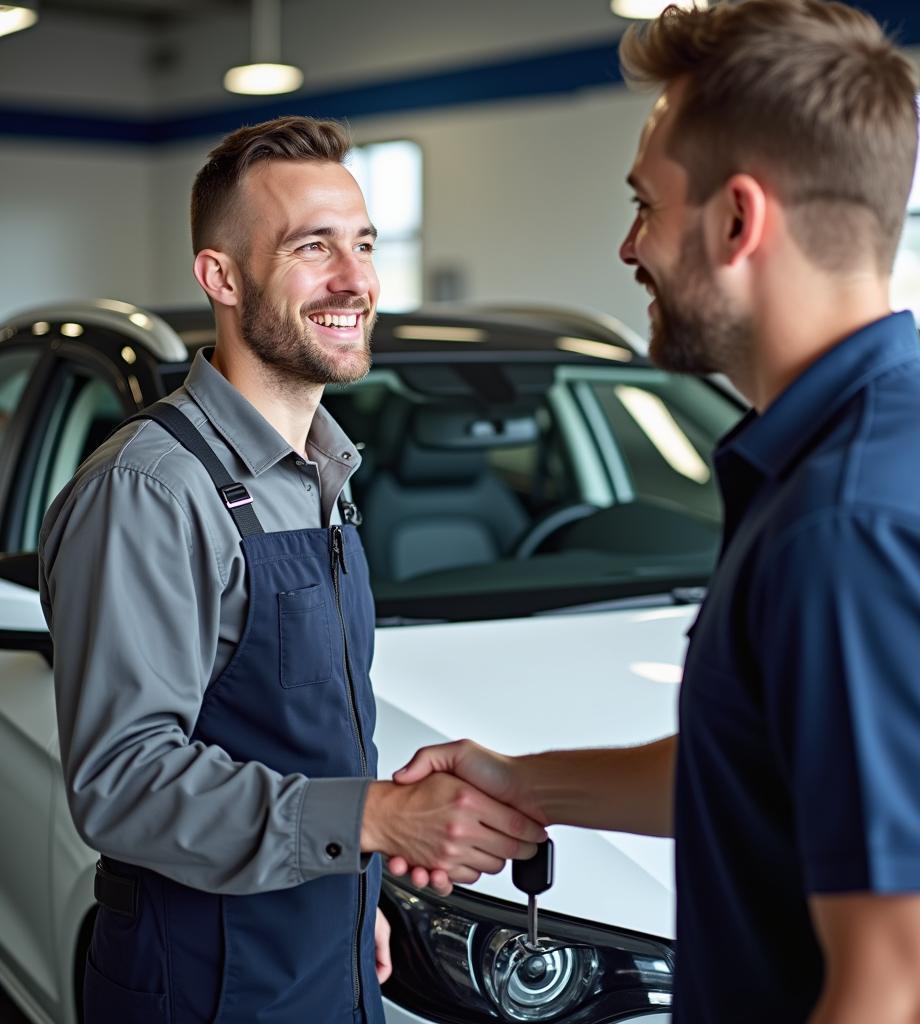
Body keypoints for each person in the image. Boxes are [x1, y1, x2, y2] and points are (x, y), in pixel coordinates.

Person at [388, 3, 920, 1022]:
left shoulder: (856, 525)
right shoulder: (867, 447)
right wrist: (519, 780)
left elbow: (909, 997)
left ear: (737, 221)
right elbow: (769, 768)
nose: (629, 246)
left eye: (646, 204)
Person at [39, 116, 545, 1024]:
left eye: (362, 244)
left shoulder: (325, 472)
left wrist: (354, 900)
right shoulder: (153, 491)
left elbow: (297, 731)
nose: (356, 280)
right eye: (314, 248)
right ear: (221, 277)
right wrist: (377, 819)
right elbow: (123, 781)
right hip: (205, 984)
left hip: (320, 944)